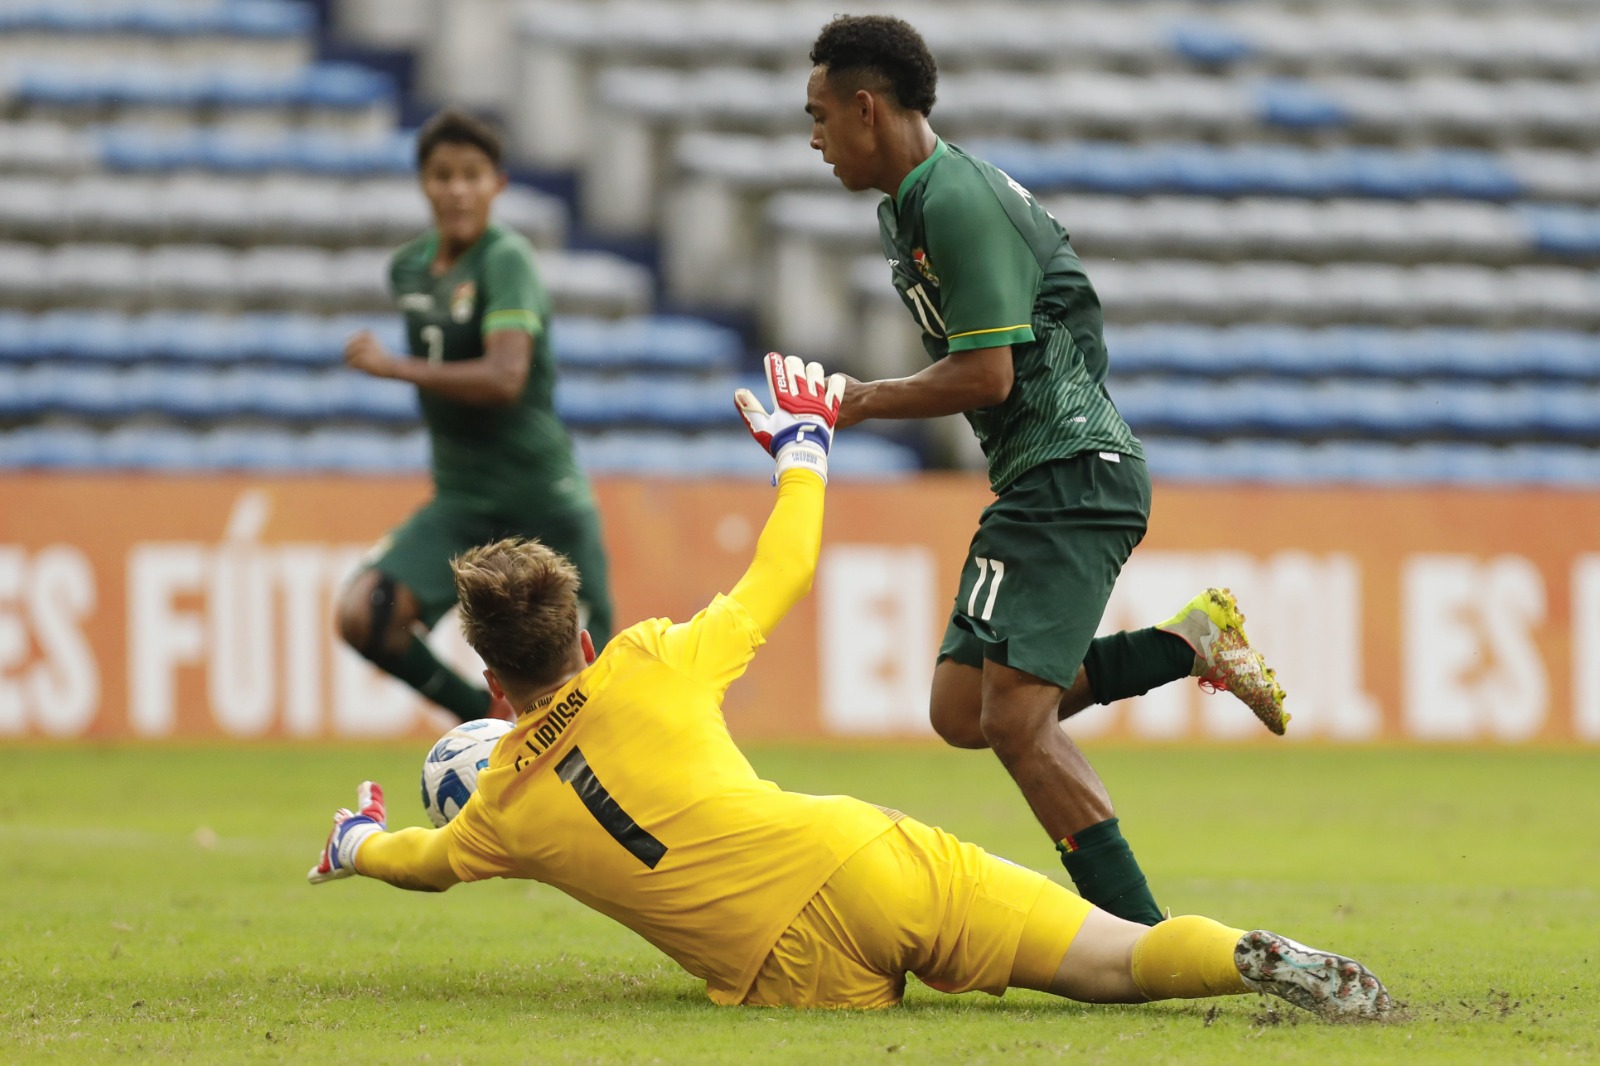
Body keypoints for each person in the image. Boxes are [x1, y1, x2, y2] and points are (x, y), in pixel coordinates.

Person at [307, 355, 1390, 1021]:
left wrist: (353, 843)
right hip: (854, 850)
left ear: (492, 684)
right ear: (582, 637)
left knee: (895, 1006)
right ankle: (1244, 956)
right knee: (1110, 961)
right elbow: (781, 570)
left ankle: (1231, 949)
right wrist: (803, 451)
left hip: (790, 969)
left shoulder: (497, 809)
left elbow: (422, 864)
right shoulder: (648, 660)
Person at [803, 15, 1290, 926]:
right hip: (1037, 477)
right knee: (962, 711)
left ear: (866, 108)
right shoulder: (903, 209)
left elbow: (986, 372)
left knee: (1017, 725)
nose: (815, 137)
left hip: (1073, 470)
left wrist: (856, 401)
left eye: (820, 114)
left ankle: (1144, 943)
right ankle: (1186, 645)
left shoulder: (955, 199)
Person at [335, 108, 613, 723]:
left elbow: (504, 377)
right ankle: (490, 730)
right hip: (461, 498)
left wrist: (396, 367)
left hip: (540, 493)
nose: (457, 190)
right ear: (423, 183)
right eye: (441, 176)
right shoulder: (409, 268)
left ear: (499, 184)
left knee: (602, 679)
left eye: (471, 175)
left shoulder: (505, 260)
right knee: (366, 614)